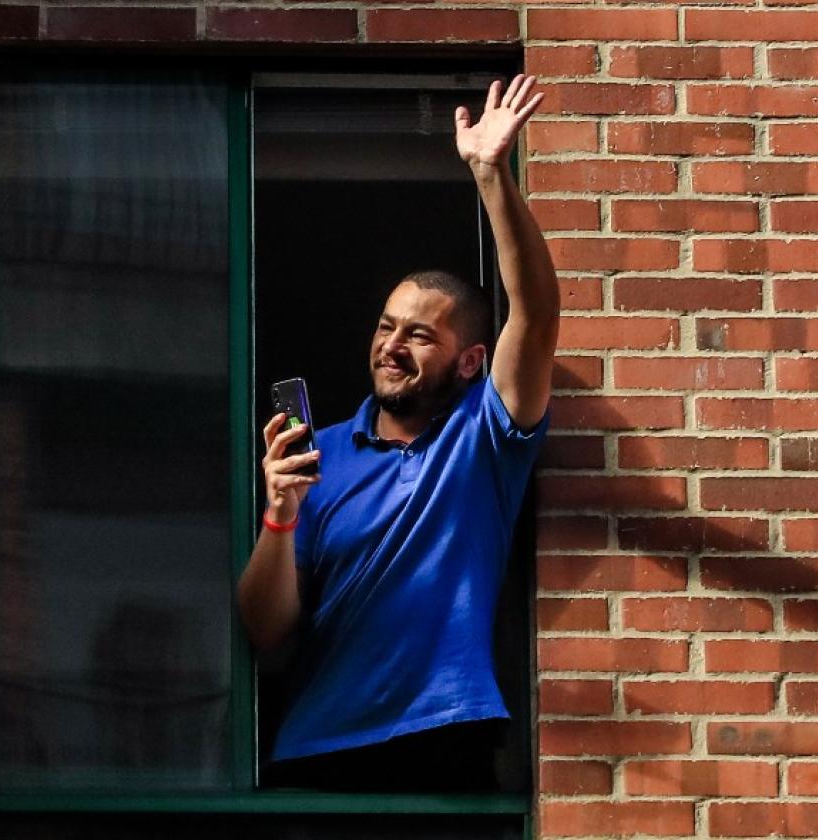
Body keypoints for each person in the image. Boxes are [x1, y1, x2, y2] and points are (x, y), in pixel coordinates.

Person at [236, 74, 560, 792]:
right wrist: (280, 516)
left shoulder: (484, 438)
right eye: (386, 328)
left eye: (419, 335)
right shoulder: (321, 456)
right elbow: (267, 636)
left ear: (470, 361)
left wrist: (490, 174)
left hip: (443, 733)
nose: (392, 346)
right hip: (318, 748)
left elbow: (535, 314)